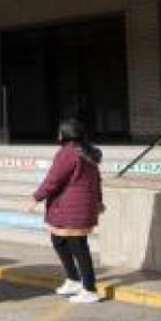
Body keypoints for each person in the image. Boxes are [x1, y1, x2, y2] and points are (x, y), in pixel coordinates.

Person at [32, 117, 105, 304]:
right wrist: (98, 201)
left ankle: (89, 289)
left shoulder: (68, 153)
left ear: (65, 133)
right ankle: (73, 279)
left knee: (78, 246)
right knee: (59, 240)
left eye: (59, 130)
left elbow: (54, 179)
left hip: (70, 207)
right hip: (78, 206)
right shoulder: (85, 152)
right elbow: (97, 180)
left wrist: (37, 196)